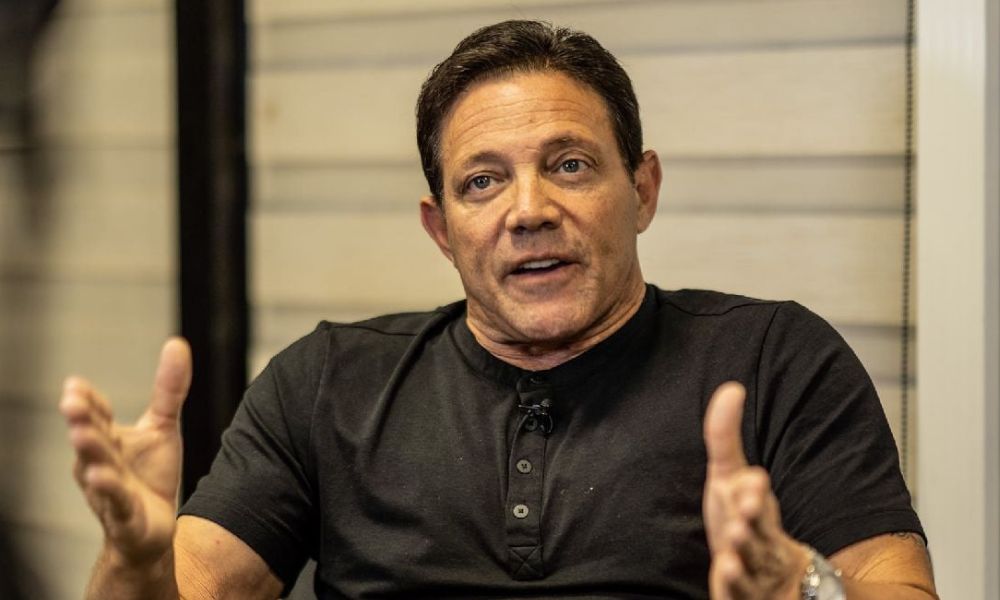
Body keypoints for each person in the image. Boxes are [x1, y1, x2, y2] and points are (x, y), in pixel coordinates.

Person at [59, 20, 937, 600]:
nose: (528, 210)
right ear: (442, 230)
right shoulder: (326, 383)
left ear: (642, 189)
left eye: (569, 165)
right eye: (483, 181)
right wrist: (133, 567)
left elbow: (894, 583)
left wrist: (804, 588)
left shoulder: (774, 361)